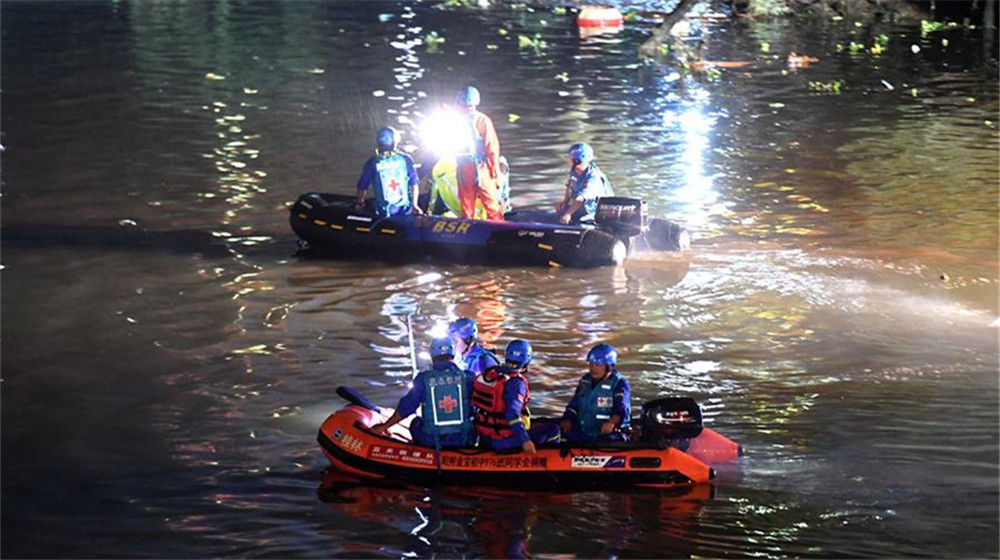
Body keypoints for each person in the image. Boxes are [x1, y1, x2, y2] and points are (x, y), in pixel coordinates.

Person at [370, 337, 476, 448]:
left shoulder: (423, 379)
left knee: (415, 422)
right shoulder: (469, 378)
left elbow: (406, 407)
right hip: (464, 439)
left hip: (432, 440)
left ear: (432, 355)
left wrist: (384, 426)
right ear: (453, 354)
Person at [473, 339, 562, 454]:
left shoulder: (490, 375)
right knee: (553, 430)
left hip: (484, 437)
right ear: (527, 363)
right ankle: (548, 463)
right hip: (501, 441)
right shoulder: (516, 383)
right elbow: (512, 414)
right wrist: (525, 441)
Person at [559, 343, 631, 443]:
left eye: (597, 365)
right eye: (591, 364)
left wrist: (611, 423)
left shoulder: (619, 384)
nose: (593, 368)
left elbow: (621, 409)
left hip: (607, 435)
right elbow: (574, 405)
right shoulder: (585, 381)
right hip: (584, 433)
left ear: (608, 366)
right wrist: (567, 419)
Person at [455, 86, 505, 221]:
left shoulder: (454, 120)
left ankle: (468, 231)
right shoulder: (482, 120)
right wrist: (495, 172)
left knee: (467, 206)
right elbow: (492, 148)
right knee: (491, 205)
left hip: (462, 167)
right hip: (481, 167)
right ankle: (499, 231)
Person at [355, 126, 422, 218]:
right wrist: (415, 205)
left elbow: (362, 187)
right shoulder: (405, 159)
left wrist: (360, 203)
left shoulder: (373, 163)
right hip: (406, 210)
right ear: (395, 142)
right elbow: (414, 184)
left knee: (371, 204)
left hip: (385, 214)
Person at [555, 142, 614, 224]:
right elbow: (570, 186)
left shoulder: (594, 178)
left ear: (576, 160)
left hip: (591, 217)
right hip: (578, 211)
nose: (569, 160)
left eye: (571, 158)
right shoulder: (575, 170)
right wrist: (564, 202)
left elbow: (581, 199)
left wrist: (568, 214)